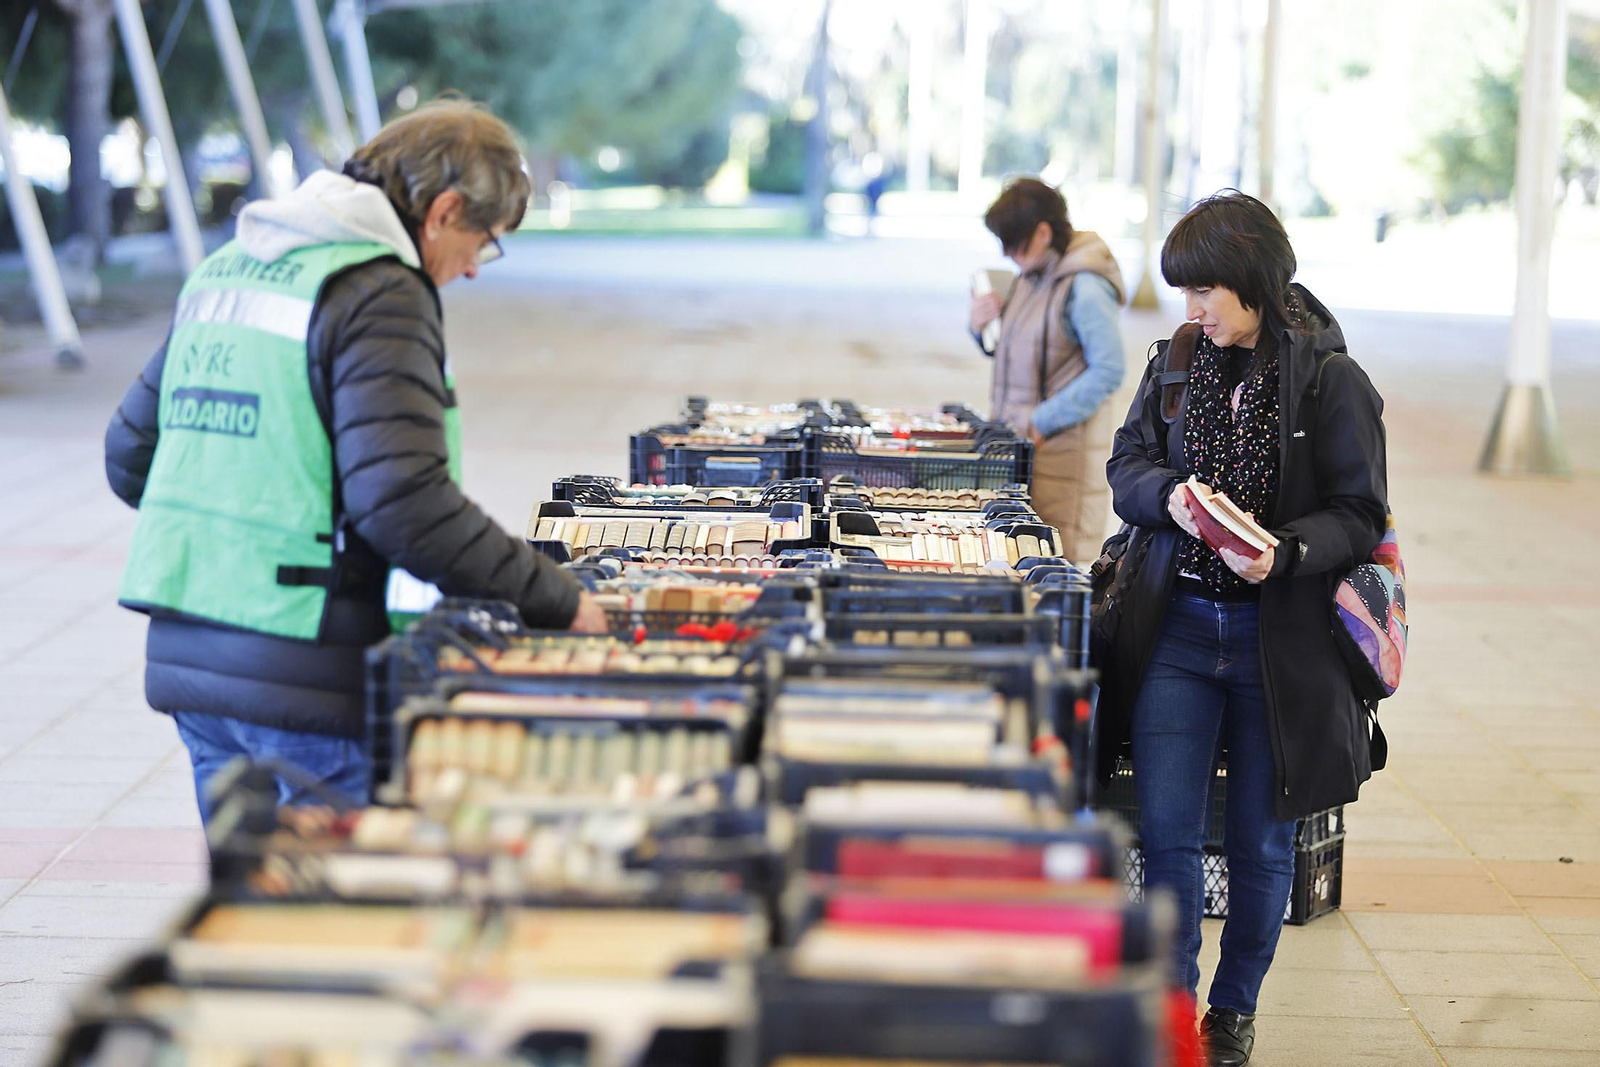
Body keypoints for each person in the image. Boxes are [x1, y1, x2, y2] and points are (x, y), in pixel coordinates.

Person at [105, 100, 607, 823]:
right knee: (337, 893)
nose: (473, 269)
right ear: (442, 211)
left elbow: (130, 457)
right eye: (483, 241)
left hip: (194, 661)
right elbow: (406, 504)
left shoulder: (230, 268)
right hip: (309, 668)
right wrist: (556, 598)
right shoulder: (380, 291)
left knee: (253, 887)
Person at [1100, 191, 1389, 1066]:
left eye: (1204, 290)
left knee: (1263, 844)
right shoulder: (1178, 361)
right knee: (1168, 835)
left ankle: (1232, 1012)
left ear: (1252, 280)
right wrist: (1170, 500)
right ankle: (1172, 1006)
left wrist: (1287, 552)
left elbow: (1361, 513)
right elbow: (1126, 463)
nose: (1191, 308)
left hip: (1280, 645)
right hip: (1179, 631)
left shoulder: (1330, 380)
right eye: (1184, 292)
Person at [969, 177, 1127, 562]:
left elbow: (1109, 369)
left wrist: (1041, 420)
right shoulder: (1032, 275)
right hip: (1021, 451)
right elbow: (1022, 354)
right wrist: (980, 327)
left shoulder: (1085, 285)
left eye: (1015, 244)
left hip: (1060, 461)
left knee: (1049, 573)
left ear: (1043, 232)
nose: (1009, 255)